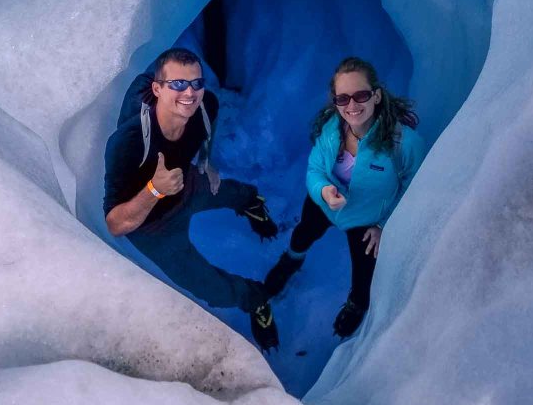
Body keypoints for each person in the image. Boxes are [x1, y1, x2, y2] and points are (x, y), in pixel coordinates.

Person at [103, 47, 280, 351]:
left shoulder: (203, 105)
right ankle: (256, 300)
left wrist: (205, 161)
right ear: (157, 89)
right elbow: (115, 224)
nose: (189, 94)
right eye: (178, 84)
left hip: (186, 185)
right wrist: (155, 189)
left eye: (196, 83)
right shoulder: (128, 143)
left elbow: (207, 122)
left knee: (224, 190)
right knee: (212, 289)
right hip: (155, 230)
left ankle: (251, 203)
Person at [265, 57, 427, 338]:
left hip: (368, 218)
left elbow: (415, 187)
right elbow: (315, 168)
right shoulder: (332, 127)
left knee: (364, 273)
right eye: (342, 99)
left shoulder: (404, 143)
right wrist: (323, 190)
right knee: (303, 233)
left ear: (376, 96)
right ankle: (292, 259)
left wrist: (384, 225)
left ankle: (357, 303)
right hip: (327, 203)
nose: (351, 106)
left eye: (360, 95)